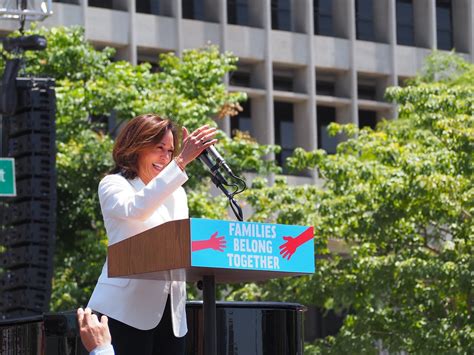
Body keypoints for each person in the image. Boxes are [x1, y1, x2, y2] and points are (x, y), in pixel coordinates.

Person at [87, 113, 217, 354]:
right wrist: (180, 162)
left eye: (170, 151)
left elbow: (179, 243)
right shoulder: (114, 184)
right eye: (159, 148)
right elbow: (136, 208)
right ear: (136, 146)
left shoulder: (176, 192)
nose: (165, 157)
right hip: (124, 311)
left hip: (173, 316)